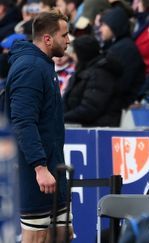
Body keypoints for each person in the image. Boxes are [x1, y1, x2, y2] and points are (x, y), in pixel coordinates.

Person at [6, 10, 73, 242]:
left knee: (62, 236)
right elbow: (23, 121)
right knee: (38, 238)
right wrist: (39, 167)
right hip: (36, 172)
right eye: (64, 35)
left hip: (53, 167)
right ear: (47, 39)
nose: (68, 40)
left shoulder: (43, 65)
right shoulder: (31, 68)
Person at [63, 35, 123, 127]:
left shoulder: (100, 74)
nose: (72, 56)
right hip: (81, 126)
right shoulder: (83, 71)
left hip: (98, 131)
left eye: (75, 53)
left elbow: (89, 109)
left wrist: (61, 118)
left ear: (82, 54)